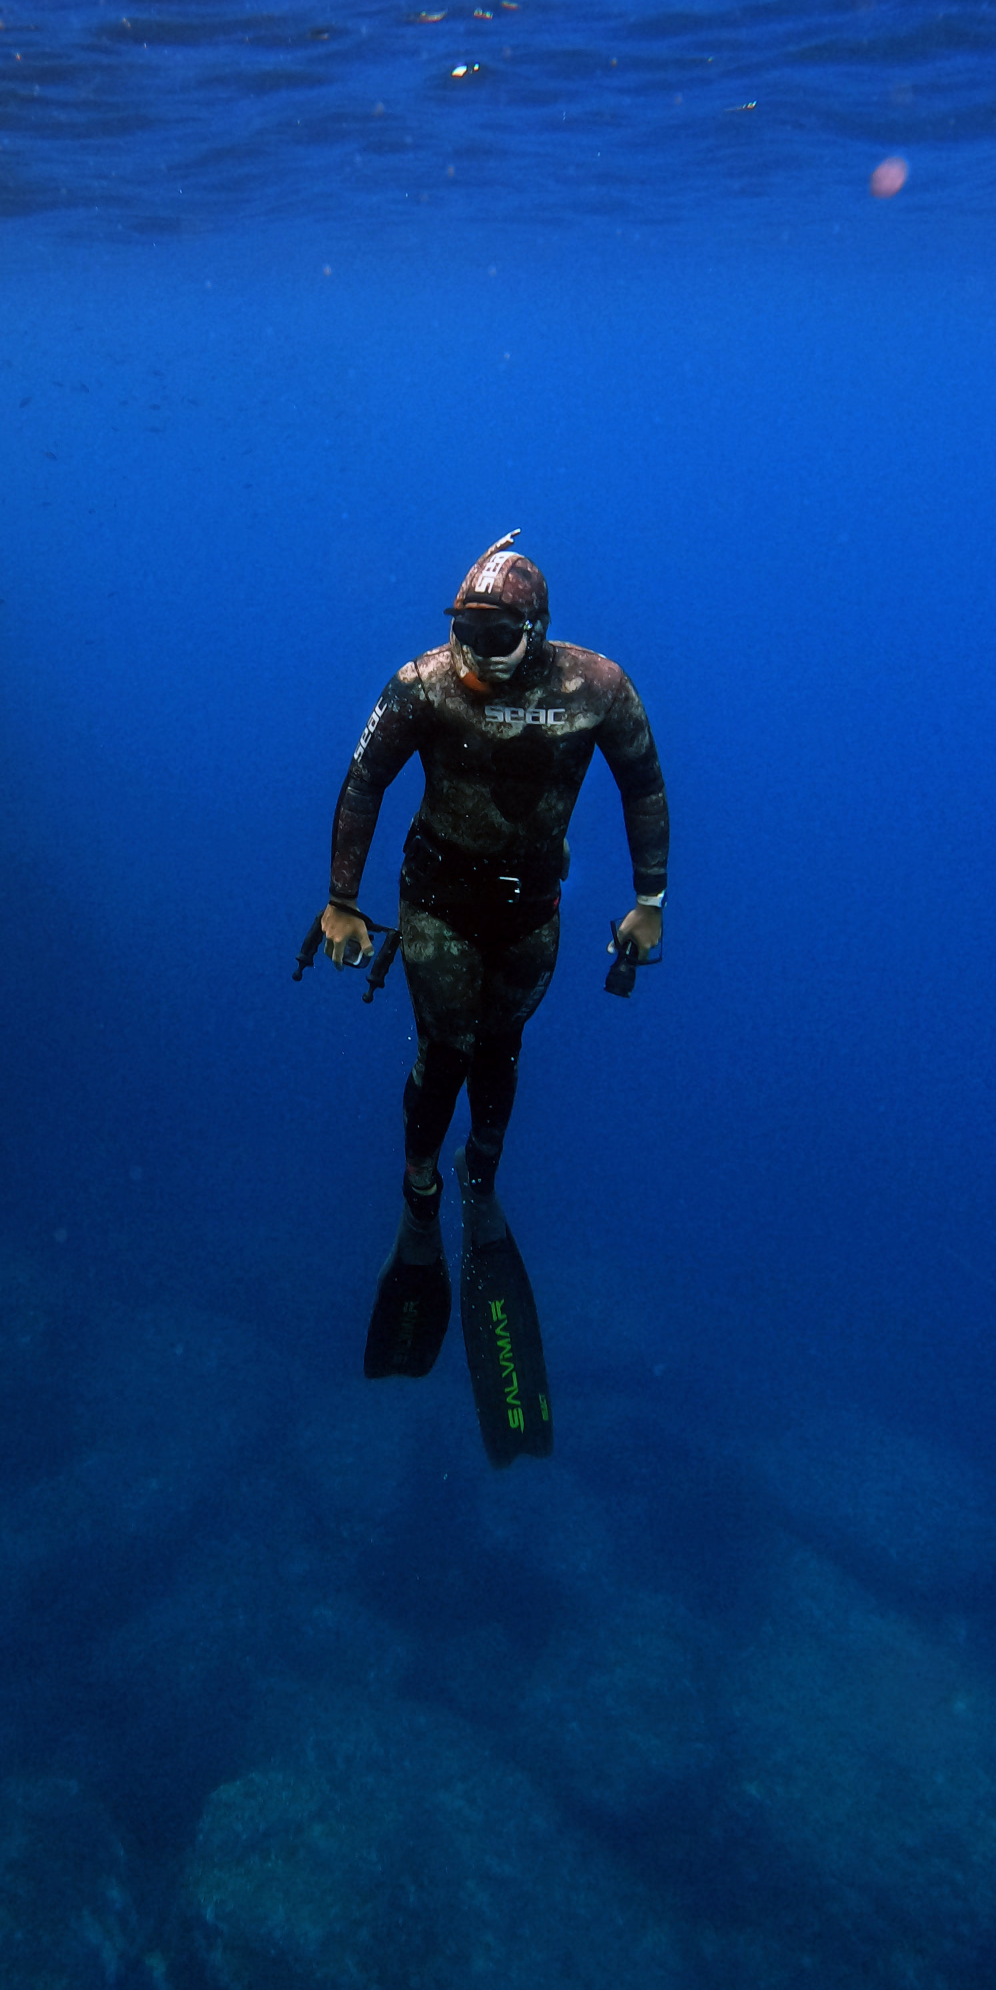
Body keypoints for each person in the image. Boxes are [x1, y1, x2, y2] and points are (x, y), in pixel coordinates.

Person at [316, 531, 668, 1459]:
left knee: (506, 1041)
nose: (476, 649)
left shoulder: (596, 690)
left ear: (537, 628)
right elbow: (365, 783)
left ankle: (481, 1173)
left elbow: (643, 785)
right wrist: (341, 904)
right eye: (465, 629)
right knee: (448, 1044)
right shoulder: (424, 684)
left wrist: (650, 902)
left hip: (532, 907)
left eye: (496, 631)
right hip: (437, 897)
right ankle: (421, 1186)